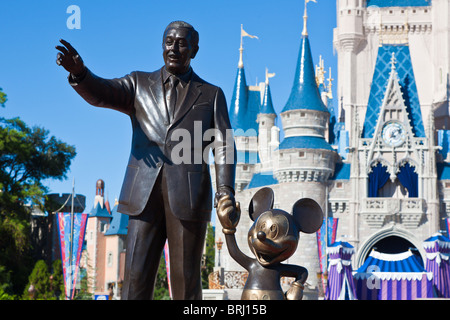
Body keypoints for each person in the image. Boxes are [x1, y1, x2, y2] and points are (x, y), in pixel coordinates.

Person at [56, 20, 236, 300]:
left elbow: (225, 145)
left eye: (181, 42)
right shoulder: (139, 84)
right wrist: (80, 73)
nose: (174, 48)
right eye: (168, 41)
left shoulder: (211, 95)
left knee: (187, 285)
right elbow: (102, 93)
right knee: (135, 283)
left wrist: (225, 192)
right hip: (142, 196)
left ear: (195, 50)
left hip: (189, 198)